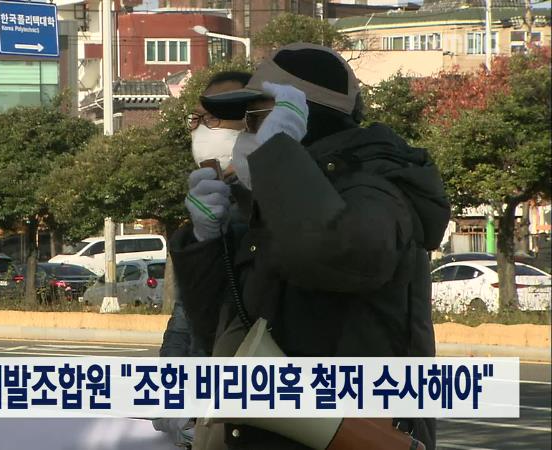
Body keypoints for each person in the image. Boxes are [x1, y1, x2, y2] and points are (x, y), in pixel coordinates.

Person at [170, 43, 451, 449]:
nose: (245, 135)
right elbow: (222, 330)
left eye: (255, 119)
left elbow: (333, 257)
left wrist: (278, 157)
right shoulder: (279, 199)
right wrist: (207, 241)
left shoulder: (375, 190)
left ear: (303, 116)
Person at [154, 70, 253, 449]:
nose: (199, 127)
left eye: (213, 117)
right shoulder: (210, 202)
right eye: (195, 118)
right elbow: (185, 321)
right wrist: (172, 396)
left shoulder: (276, 204)